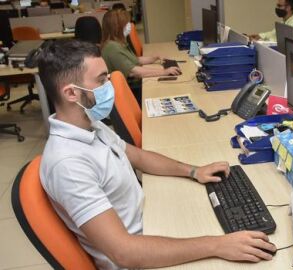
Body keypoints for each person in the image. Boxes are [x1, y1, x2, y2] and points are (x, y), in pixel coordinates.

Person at [38, 39, 276, 270]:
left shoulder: (89, 123)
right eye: (102, 80)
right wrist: (216, 245)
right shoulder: (67, 164)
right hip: (139, 257)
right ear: (71, 93)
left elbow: (138, 157)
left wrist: (193, 171)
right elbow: (125, 253)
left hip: (149, 222)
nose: (109, 85)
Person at [101, 9, 180, 104]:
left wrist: (154, 58)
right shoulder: (112, 47)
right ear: (117, 28)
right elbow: (134, 72)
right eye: (126, 24)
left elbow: (135, 60)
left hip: (131, 86)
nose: (129, 25)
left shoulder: (118, 43)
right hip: (130, 91)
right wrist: (164, 72)